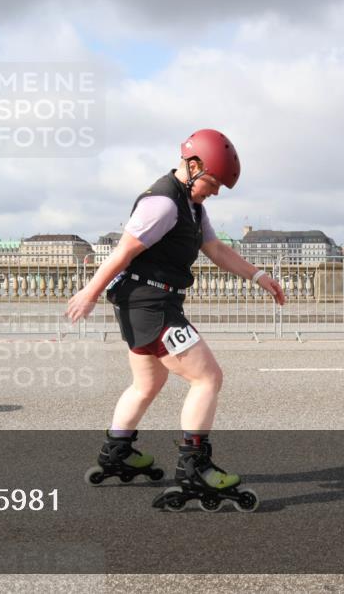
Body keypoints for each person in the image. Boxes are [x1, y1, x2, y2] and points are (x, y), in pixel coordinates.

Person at [66, 129, 285, 502]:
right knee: (208, 378)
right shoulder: (164, 203)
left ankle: (117, 452)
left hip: (148, 304)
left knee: (146, 385)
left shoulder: (192, 205)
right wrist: (89, 292)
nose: (215, 192)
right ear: (193, 165)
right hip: (152, 306)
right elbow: (122, 252)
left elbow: (215, 248)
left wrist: (259, 275)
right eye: (214, 183)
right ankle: (194, 468)